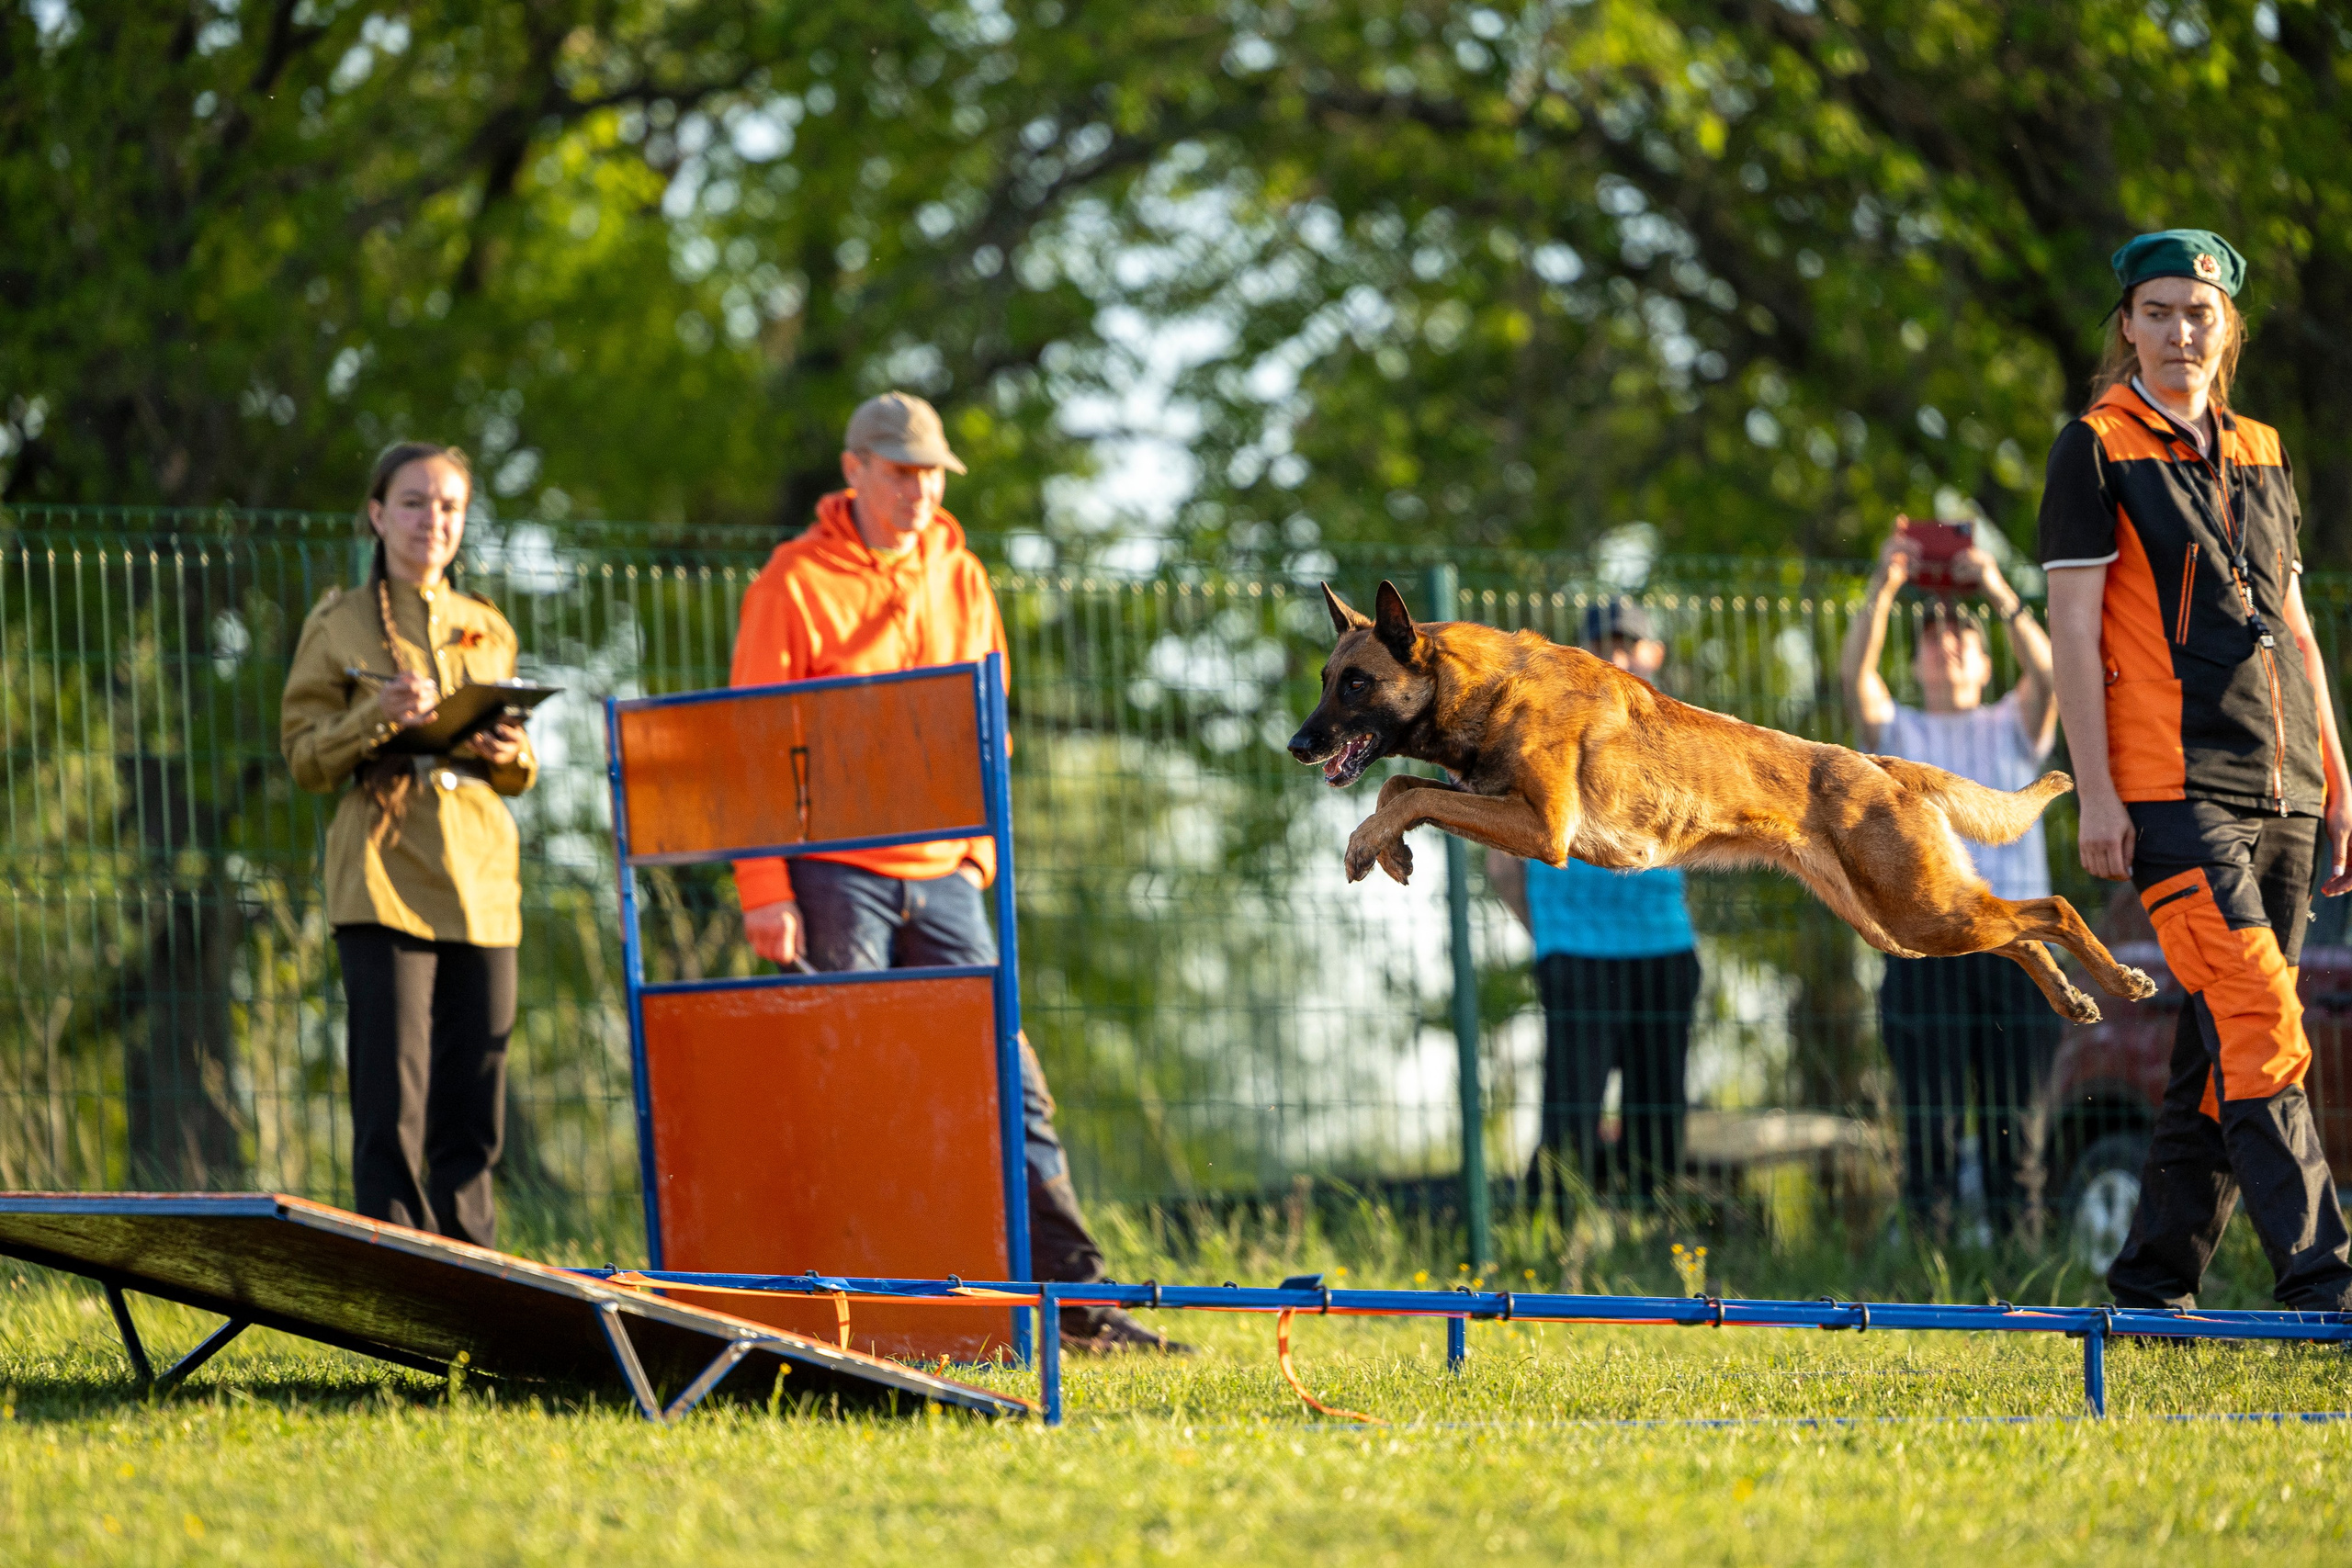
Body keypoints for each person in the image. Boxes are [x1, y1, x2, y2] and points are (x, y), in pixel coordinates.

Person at [731, 391, 1181, 1352]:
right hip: (828, 877)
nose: (919, 489)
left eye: (932, 472)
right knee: (847, 1090)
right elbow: (750, 747)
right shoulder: (791, 581)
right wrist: (765, 890)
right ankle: (859, 1308)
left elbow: (991, 720)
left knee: (1008, 1081)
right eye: (900, 470)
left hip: (946, 873)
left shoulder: (962, 572)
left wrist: (975, 850)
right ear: (853, 471)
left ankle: (1082, 1310)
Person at [2041, 228, 2352, 1312]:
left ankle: (2147, 1286)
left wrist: (2338, 776)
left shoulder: (2262, 448)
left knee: (2213, 1052)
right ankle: (2325, 1280)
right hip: (2170, 793)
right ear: (2126, 325)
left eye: (2200, 314)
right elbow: (2070, 635)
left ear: (2229, 330)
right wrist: (2098, 792)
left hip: (2288, 789)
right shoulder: (2092, 447)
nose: (2181, 332)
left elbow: (2297, 631)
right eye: (2159, 312)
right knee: (2263, 1018)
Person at [281, 443, 536, 1246]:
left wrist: (508, 753)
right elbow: (304, 757)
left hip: (484, 886)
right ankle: (393, 1284)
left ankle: (474, 1283)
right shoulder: (337, 623)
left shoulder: (488, 626)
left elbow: (522, 766)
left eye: (450, 506)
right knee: (392, 1106)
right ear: (378, 513)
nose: (434, 520)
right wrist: (377, 714)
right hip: (383, 879)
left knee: (474, 1106)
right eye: (416, 502)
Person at [1839, 530, 2059, 1241]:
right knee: (1928, 1124)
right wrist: (1885, 586)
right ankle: (1930, 1270)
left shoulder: (2015, 726)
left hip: (2014, 947)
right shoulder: (1895, 733)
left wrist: (1994, 587)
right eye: (1933, 637)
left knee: (2016, 1126)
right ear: (1917, 661)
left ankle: (2023, 1266)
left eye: (1964, 635)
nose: (1949, 642)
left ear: (1988, 659)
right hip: (1924, 950)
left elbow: (2053, 676)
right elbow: (1855, 680)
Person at [1488, 598, 1701, 1207]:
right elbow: (1503, 864)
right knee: (1571, 1112)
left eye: (1629, 643)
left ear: (1653, 654)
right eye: (1604, 644)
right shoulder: (1538, 730)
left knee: (1660, 1115)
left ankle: (1652, 1239)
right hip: (1576, 951)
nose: (1617, 655)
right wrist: (1552, 934)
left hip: (1665, 947)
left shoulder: (1682, 734)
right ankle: (1550, 1241)